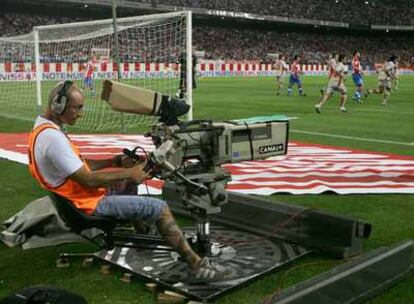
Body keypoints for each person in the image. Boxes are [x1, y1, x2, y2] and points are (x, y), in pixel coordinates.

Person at [27, 81, 231, 281]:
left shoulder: (43, 130)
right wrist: (130, 173)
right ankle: (196, 265)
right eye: (77, 108)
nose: (81, 113)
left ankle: (145, 237)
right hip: (86, 204)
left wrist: (113, 161)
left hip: (75, 200)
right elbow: (88, 180)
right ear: (58, 105)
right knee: (159, 208)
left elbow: (77, 165)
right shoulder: (53, 140)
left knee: (129, 184)